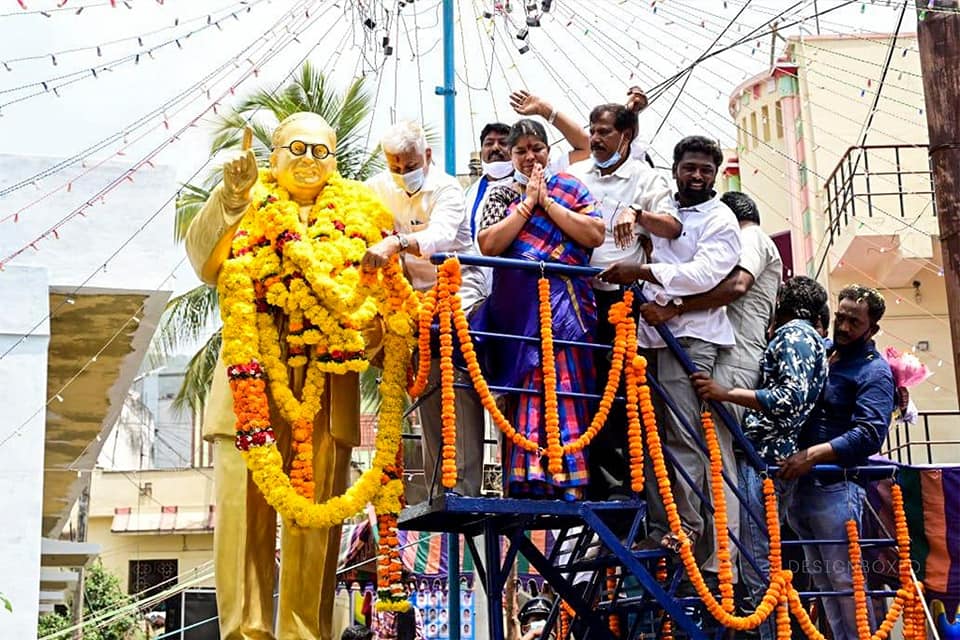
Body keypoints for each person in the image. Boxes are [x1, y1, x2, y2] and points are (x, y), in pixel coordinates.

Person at [186, 113, 389, 640]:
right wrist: (229, 199)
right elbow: (203, 261)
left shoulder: (363, 218)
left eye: (320, 151)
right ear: (274, 156)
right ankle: (243, 631)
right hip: (250, 373)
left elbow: (379, 304)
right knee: (241, 515)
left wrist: (361, 330)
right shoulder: (248, 202)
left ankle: (306, 631)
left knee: (315, 517)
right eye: (295, 148)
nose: (307, 159)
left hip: (326, 380)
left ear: (336, 160)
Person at [598, 136, 741, 584]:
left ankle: (690, 532)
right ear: (676, 169)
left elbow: (705, 275)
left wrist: (643, 275)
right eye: (689, 168)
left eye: (705, 169)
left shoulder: (721, 219)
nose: (696, 176)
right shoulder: (664, 212)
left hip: (692, 338)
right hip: (653, 336)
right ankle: (665, 527)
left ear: (714, 174)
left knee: (682, 437)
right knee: (652, 437)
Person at [639, 190, 782, 568]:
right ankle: (713, 556)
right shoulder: (759, 241)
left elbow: (735, 286)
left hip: (731, 362)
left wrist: (677, 308)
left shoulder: (748, 237)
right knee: (705, 453)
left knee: (715, 460)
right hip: (730, 358)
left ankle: (721, 564)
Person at [471, 118, 604, 500]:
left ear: (549, 150)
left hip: (569, 310)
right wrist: (528, 204)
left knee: (567, 387)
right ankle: (529, 477)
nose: (530, 157)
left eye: (537, 149)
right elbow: (490, 245)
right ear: (512, 156)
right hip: (519, 312)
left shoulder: (570, 187)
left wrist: (547, 201)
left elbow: (594, 234)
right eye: (521, 151)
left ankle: (570, 479)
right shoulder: (499, 194)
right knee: (529, 387)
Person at [690, 276, 828, 640]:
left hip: (765, 463)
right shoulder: (810, 339)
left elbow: (789, 398)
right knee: (761, 559)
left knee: (757, 563)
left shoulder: (793, 336)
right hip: (772, 462)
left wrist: (725, 392)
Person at [362, 121, 487, 498]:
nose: (403, 174)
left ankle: (464, 486)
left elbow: (440, 237)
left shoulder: (447, 188)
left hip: (459, 288)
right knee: (425, 385)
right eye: (395, 167)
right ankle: (438, 487)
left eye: (410, 165)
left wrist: (396, 244)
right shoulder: (379, 188)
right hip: (414, 301)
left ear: (427, 156)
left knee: (450, 367)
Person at [567, 102, 681, 500]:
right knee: (582, 386)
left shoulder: (647, 179)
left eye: (604, 132)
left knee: (620, 393)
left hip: (623, 299)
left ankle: (622, 485)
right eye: (592, 131)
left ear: (626, 137)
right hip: (577, 296)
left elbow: (672, 225)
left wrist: (638, 214)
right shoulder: (577, 176)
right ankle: (589, 480)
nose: (595, 140)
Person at [780, 284, 895, 640]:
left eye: (854, 322)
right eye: (840, 317)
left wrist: (812, 455)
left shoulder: (875, 372)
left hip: (836, 488)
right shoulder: (824, 352)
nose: (843, 327)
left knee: (848, 587)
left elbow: (869, 434)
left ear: (872, 328)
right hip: (801, 488)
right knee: (825, 587)